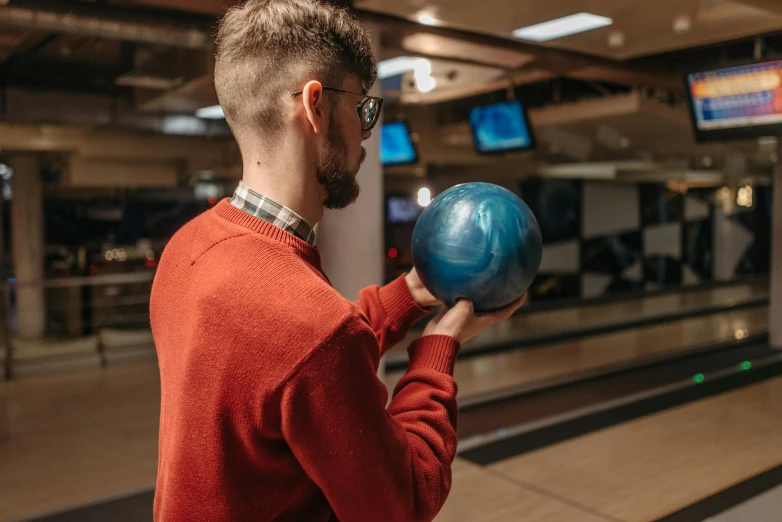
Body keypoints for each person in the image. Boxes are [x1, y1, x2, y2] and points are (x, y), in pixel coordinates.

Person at [149, 1, 524, 521]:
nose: (367, 131)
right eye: (364, 108)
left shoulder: (186, 250)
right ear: (316, 106)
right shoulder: (314, 330)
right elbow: (404, 500)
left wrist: (412, 292)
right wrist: (440, 345)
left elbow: (285, 365)